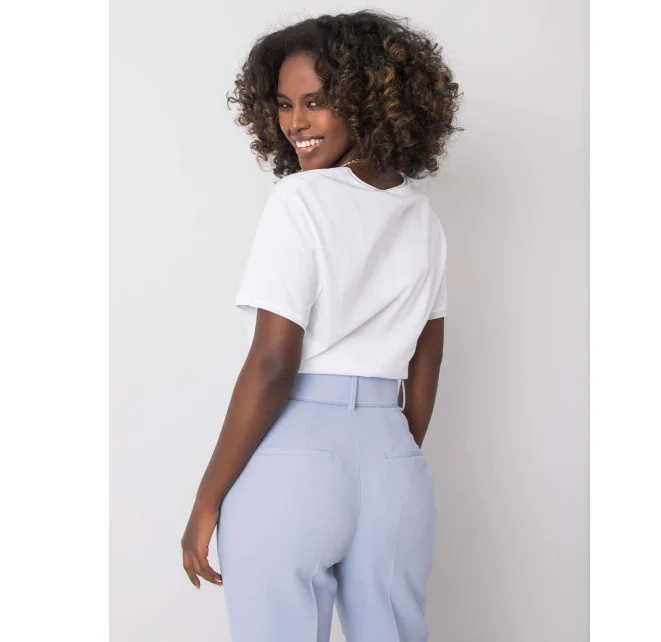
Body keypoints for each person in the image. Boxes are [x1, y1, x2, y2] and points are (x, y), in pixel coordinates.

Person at [181, 9, 462, 642]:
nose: (295, 124)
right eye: (284, 105)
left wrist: (207, 500)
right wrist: (390, 453)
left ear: (370, 101)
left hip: (295, 455)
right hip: (394, 462)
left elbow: (272, 363)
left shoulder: (299, 199)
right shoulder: (421, 216)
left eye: (316, 102)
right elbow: (428, 359)